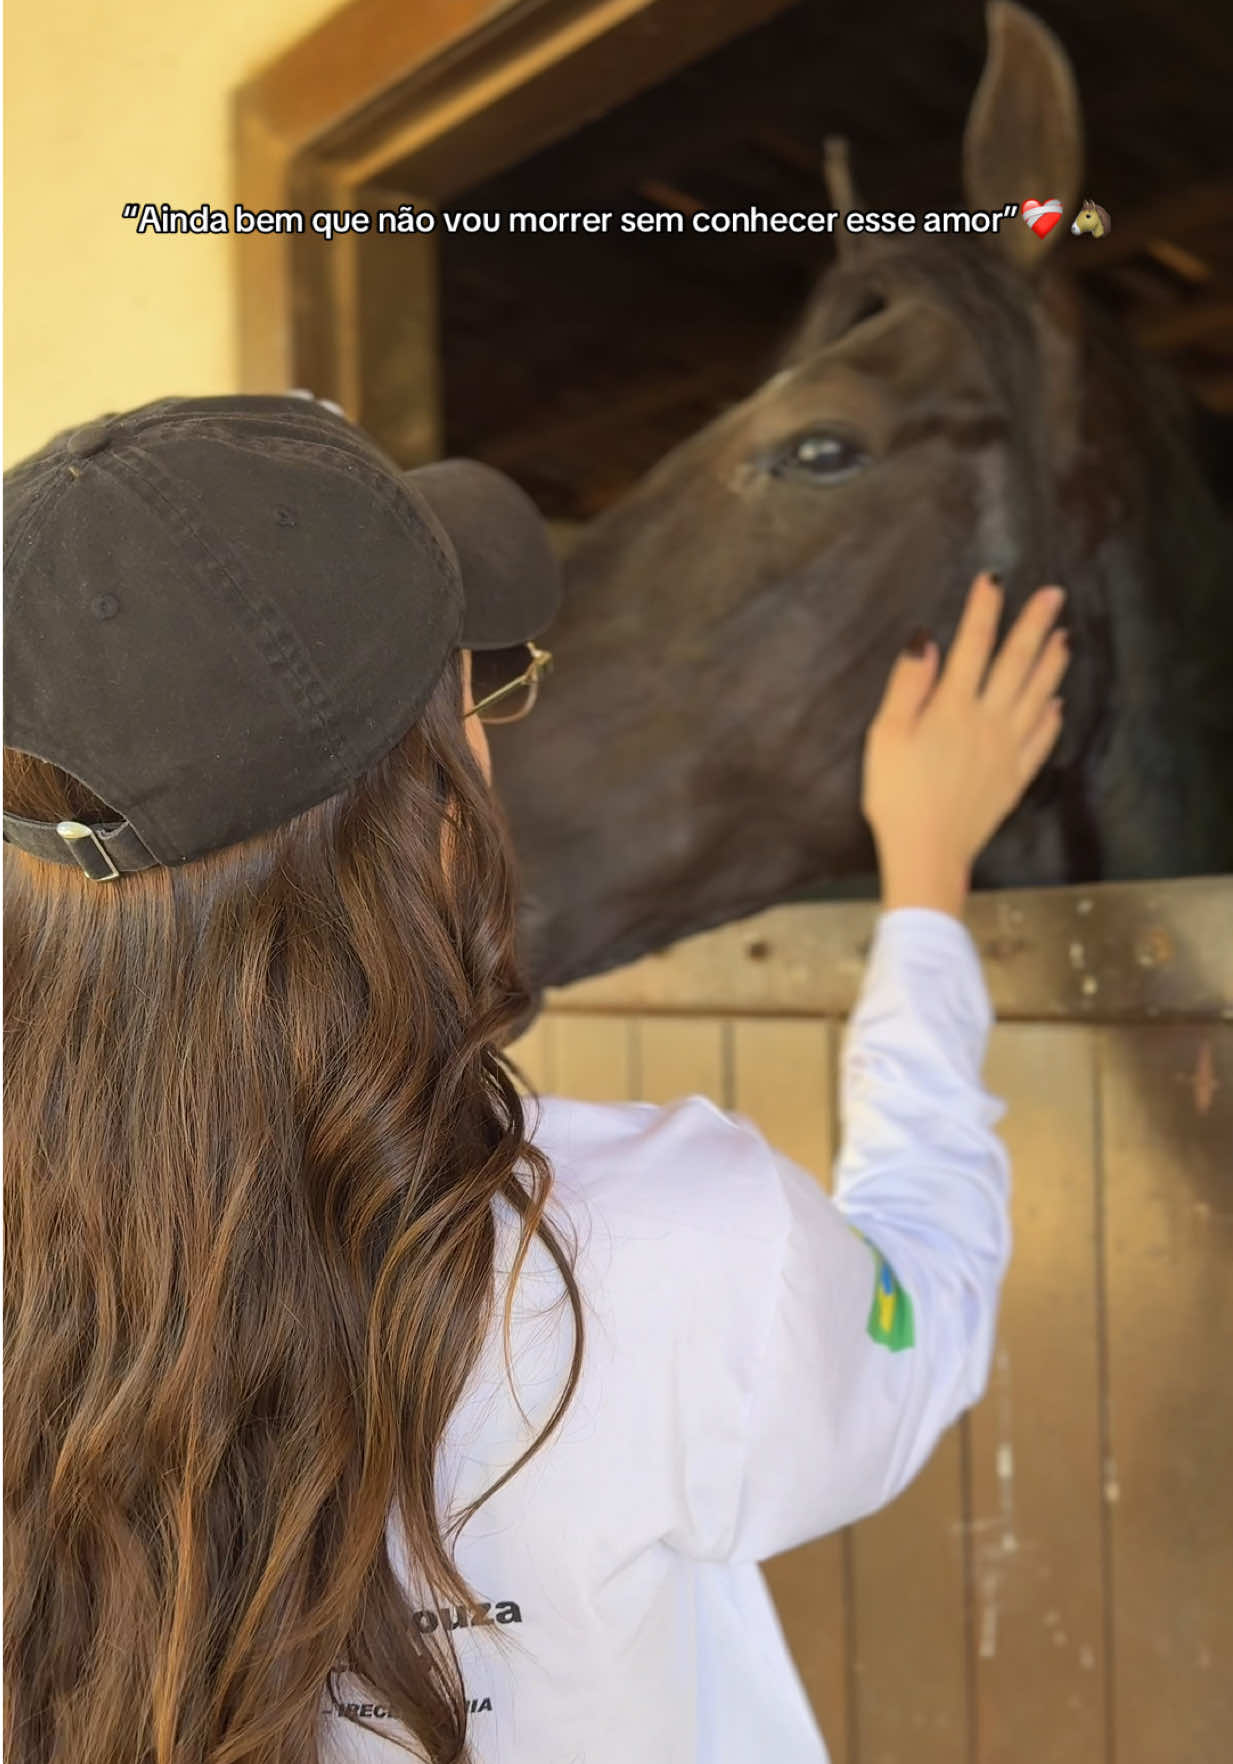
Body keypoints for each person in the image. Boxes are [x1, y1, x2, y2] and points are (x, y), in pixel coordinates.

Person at [3, 394, 1069, 1764]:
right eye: (476, 696)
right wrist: (925, 890)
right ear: (432, 812)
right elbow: (925, 1305)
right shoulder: (662, 1251)